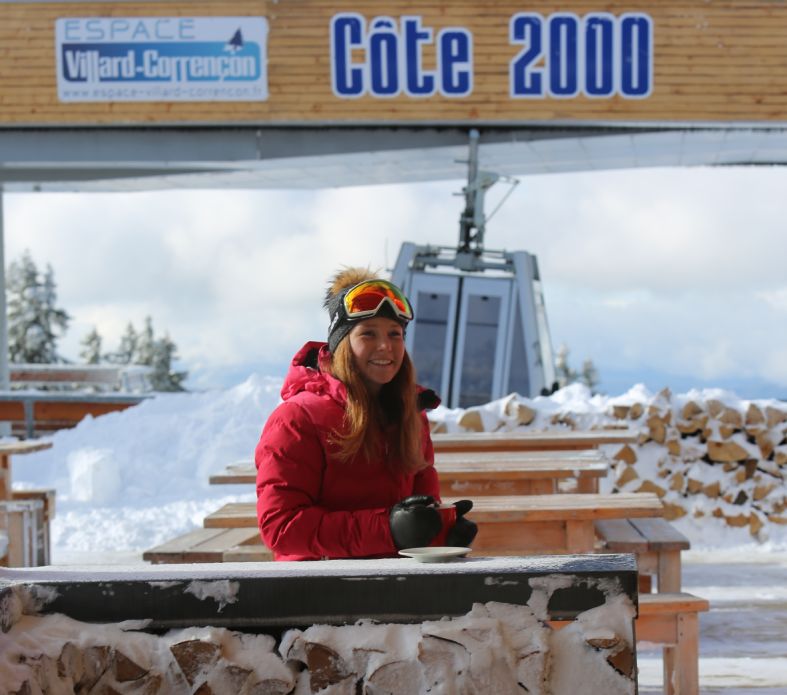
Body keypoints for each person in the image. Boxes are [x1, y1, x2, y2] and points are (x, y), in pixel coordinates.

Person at [255, 267, 477, 560]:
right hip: (318, 593)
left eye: (394, 334)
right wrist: (391, 529)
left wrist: (439, 532)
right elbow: (281, 529)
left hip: (397, 590)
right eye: (368, 334)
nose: (385, 346)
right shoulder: (297, 419)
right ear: (341, 344)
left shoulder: (410, 415)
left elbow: (414, 520)